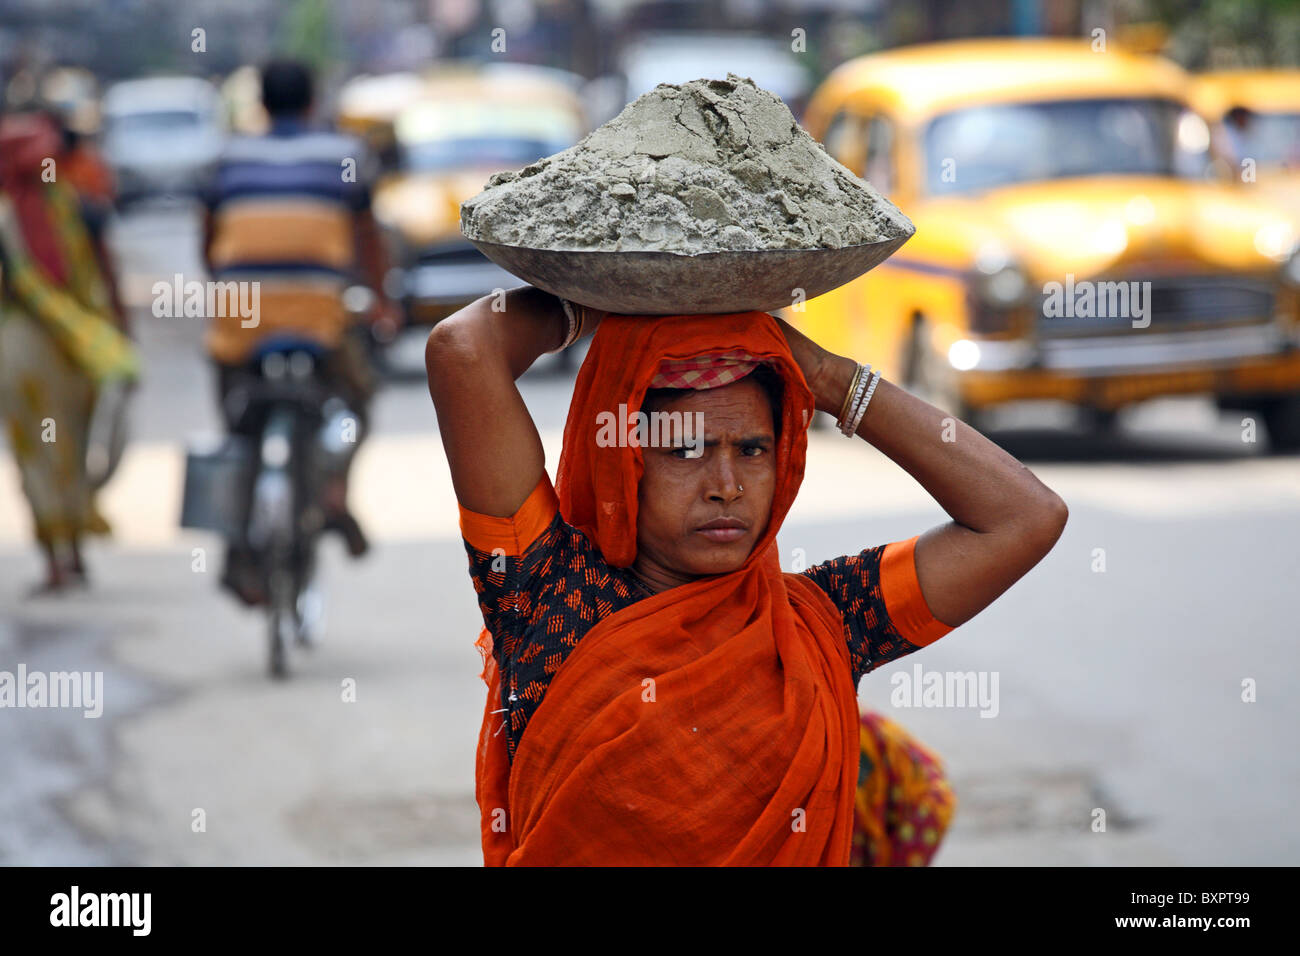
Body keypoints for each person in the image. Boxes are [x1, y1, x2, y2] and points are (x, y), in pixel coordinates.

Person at [426, 287, 1068, 866]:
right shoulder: (550, 595)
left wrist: (829, 377)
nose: (727, 487)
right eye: (686, 450)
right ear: (624, 462)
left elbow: (1025, 517)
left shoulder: (822, 621)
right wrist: (602, 303)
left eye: (753, 451)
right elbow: (463, 348)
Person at [201, 59, 399, 604]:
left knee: (235, 416)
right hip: (320, 316)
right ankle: (334, 491)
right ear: (312, 102)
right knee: (357, 399)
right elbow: (368, 240)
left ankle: (239, 539)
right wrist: (380, 303)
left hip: (243, 318)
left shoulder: (227, 157)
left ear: (261, 103)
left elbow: (210, 242)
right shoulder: (345, 154)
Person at [0, 111, 138, 593]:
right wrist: (120, 332)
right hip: (78, 344)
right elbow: (106, 273)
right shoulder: (78, 207)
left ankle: (56, 555)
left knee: (37, 454)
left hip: (20, 349)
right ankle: (73, 549)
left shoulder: (14, 215)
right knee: (73, 448)